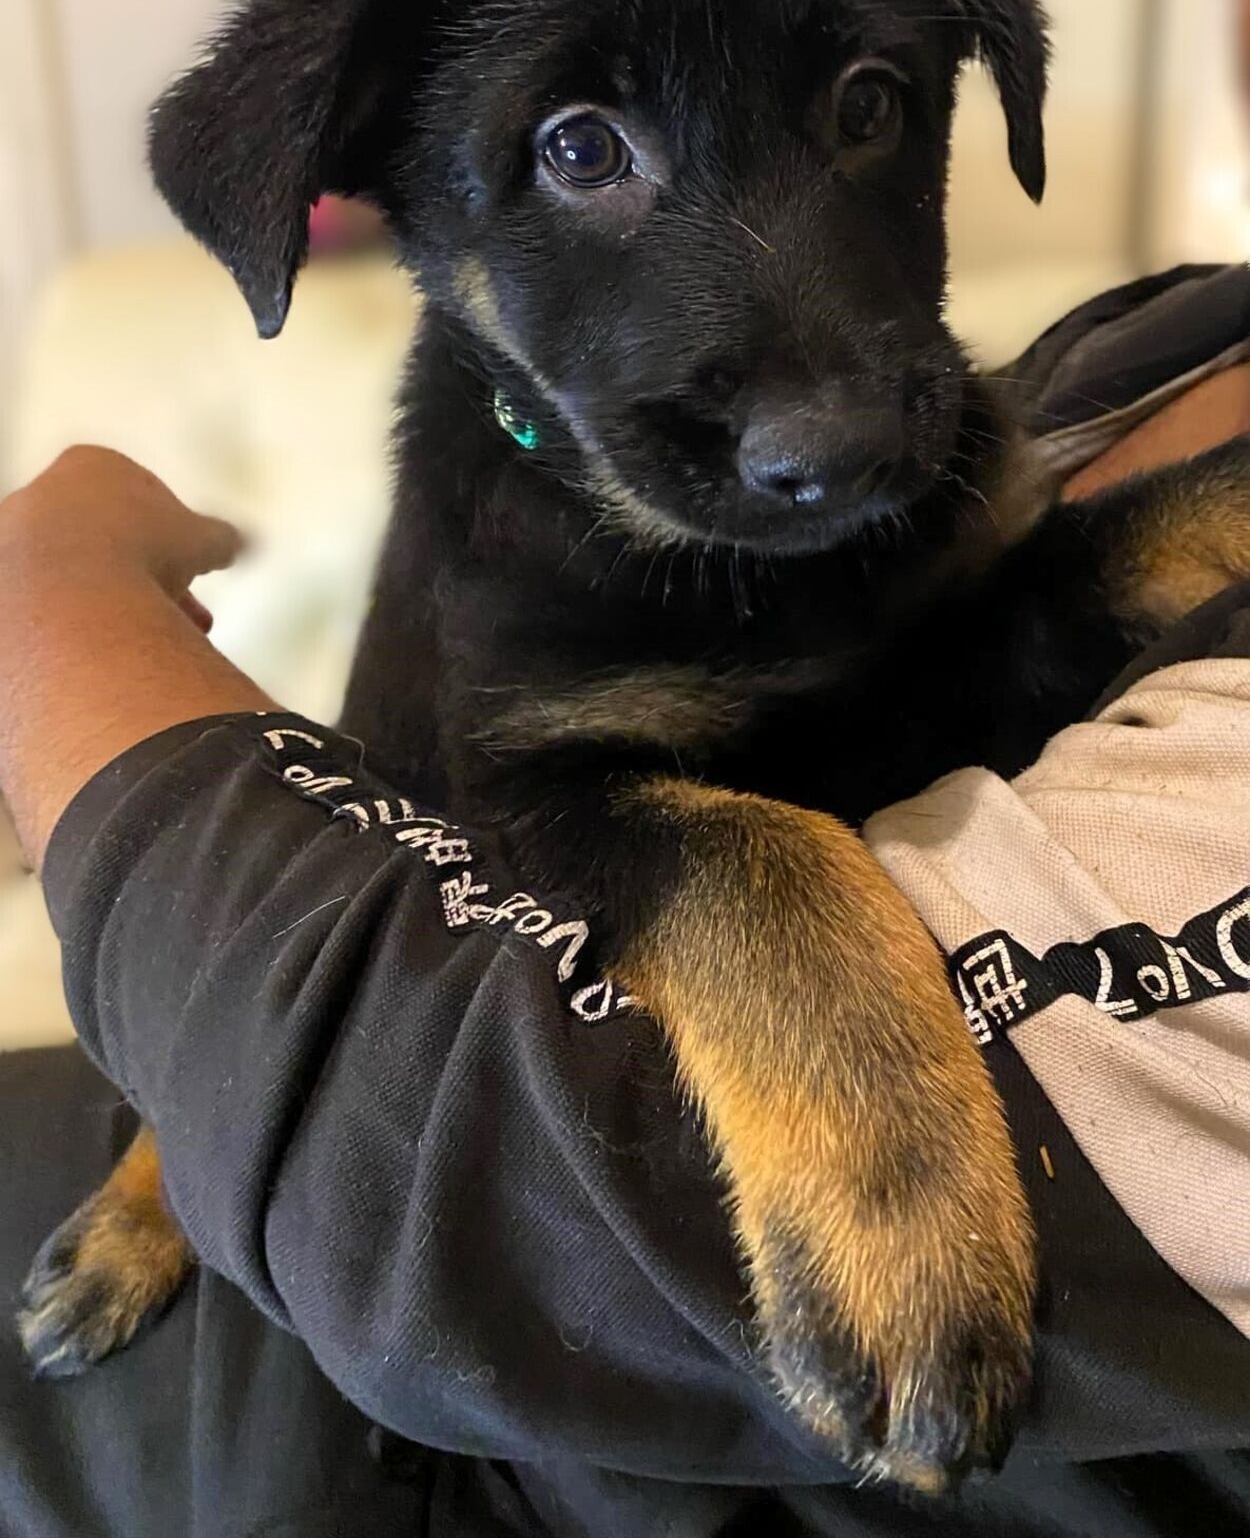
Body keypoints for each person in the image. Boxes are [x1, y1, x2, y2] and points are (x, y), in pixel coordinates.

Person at [3, 265, 1250, 1538]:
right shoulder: (1170, 325)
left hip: (476, 1420)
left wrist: (53, 596)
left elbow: (441, 1199)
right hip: (278, 1051)